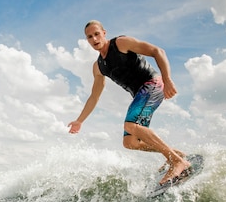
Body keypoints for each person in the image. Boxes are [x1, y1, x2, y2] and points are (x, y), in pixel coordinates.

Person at [68, 20, 190, 185]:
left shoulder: (121, 43)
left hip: (152, 84)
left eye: (96, 34)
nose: (94, 39)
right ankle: (177, 155)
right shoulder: (98, 67)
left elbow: (157, 51)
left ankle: (177, 162)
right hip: (140, 94)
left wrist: (167, 80)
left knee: (130, 125)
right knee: (130, 142)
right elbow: (94, 96)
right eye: (89, 37)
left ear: (104, 33)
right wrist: (80, 120)